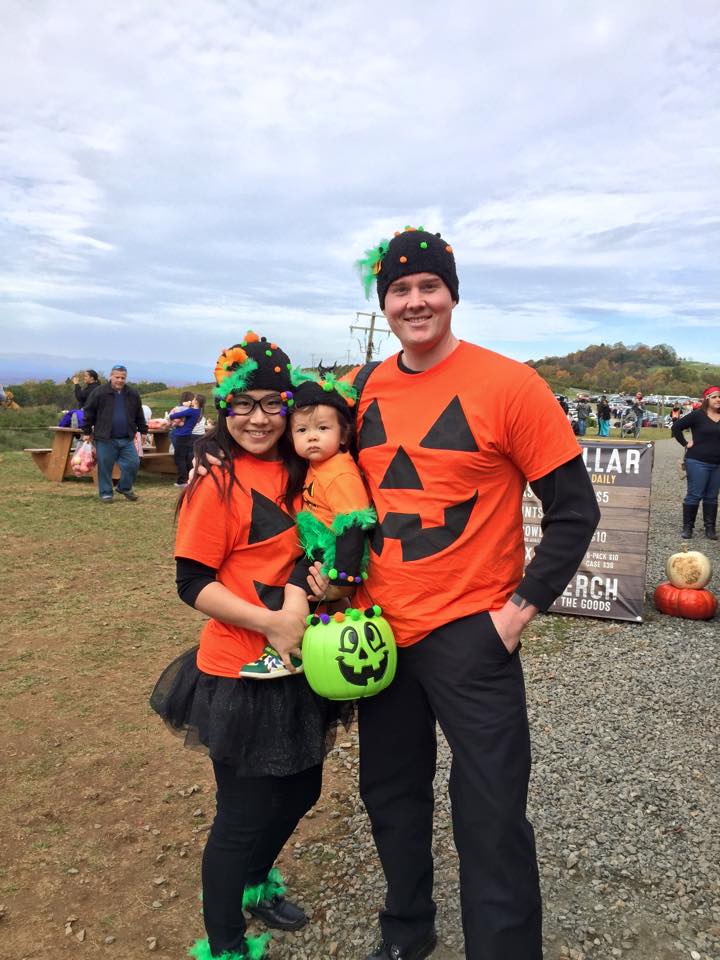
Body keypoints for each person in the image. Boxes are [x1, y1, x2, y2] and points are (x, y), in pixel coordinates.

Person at [343, 226, 600, 960]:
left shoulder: (510, 385)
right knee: (391, 796)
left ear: (453, 293)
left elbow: (575, 510)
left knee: (490, 813)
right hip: (383, 636)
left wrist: (515, 616)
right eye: (399, 289)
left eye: (429, 286)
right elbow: (336, 494)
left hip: (473, 634)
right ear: (384, 303)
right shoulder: (363, 390)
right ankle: (407, 930)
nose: (415, 301)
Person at [150, 332, 350, 960]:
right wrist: (268, 623)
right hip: (240, 670)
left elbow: (309, 546)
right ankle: (228, 945)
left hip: (300, 662)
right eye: (243, 404)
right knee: (240, 815)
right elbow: (191, 582)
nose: (258, 419)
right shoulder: (217, 482)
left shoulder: (305, 468)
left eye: (272, 404)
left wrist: (317, 589)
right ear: (223, 408)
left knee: (302, 788)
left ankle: (258, 883)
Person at [240, 374, 376, 679]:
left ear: (343, 435)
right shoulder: (318, 464)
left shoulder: (340, 473)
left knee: (295, 589)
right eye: (302, 430)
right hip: (322, 546)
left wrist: (344, 576)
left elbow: (353, 524)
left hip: (333, 551)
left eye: (322, 428)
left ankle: (289, 647)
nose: (311, 437)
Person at [82, 365, 148, 503]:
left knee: (133, 463)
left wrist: (143, 431)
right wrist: (87, 431)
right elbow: (89, 412)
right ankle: (106, 493)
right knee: (105, 466)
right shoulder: (99, 392)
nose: (120, 380)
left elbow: (139, 414)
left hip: (127, 438)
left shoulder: (132, 394)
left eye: (123, 378)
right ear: (110, 376)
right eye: (117, 377)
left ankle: (124, 487)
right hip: (105, 437)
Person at [671, 385, 720, 539]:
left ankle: (710, 528)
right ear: (706, 399)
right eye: (714, 397)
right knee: (694, 494)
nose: (718, 400)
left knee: (712, 496)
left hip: (718, 464)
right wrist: (685, 443)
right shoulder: (697, 415)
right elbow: (676, 427)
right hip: (697, 461)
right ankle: (688, 528)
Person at [167, 392, 202, 488]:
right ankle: (189, 479)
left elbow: (174, 416)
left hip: (182, 435)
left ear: (196, 402)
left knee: (179, 458)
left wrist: (180, 407)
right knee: (187, 457)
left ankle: (182, 480)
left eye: (194, 400)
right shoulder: (197, 411)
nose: (191, 401)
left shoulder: (190, 411)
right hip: (188, 435)